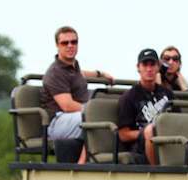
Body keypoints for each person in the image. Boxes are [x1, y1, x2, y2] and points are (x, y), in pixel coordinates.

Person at [40, 26, 113, 163]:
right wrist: (94, 111)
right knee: (94, 118)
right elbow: (67, 105)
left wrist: (99, 73)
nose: (70, 46)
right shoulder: (55, 72)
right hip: (56, 122)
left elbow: (81, 74)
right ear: (57, 45)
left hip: (74, 117)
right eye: (65, 43)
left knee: (104, 117)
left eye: (74, 42)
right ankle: (81, 164)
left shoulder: (74, 67)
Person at [117, 48, 175, 165]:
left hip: (166, 137)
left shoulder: (167, 93)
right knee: (150, 130)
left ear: (158, 67)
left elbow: (178, 118)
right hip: (140, 145)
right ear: (138, 67)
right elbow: (123, 134)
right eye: (145, 65)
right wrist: (146, 133)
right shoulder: (129, 97)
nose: (149, 69)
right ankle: (155, 172)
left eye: (152, 64)